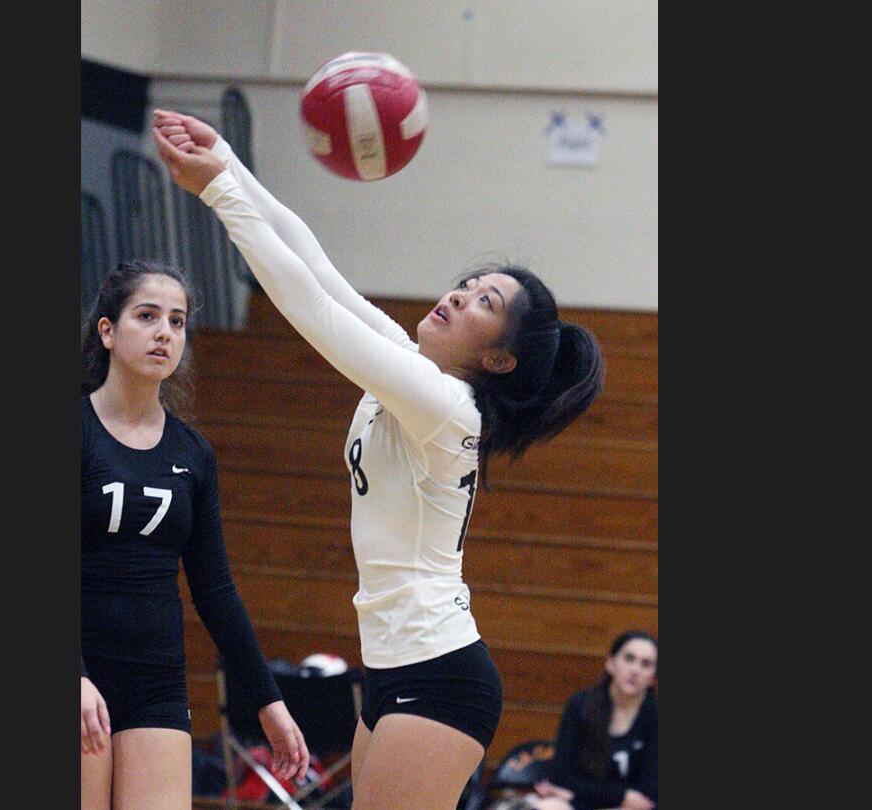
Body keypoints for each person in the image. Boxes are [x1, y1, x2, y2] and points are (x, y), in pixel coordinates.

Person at [152, 110, 606, 810]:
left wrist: (220, 195)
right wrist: (231, 163)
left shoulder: (447, 406)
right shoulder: (408, 371)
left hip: (441, 675)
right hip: (394, 666)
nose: (459, 293)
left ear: (499, 357)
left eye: (485, 300)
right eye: (470, 281)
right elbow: (321, 271)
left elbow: (309, 308)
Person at [80, 260, 310, 810]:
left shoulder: (192, 455)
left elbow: (215, 590)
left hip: (157, 682)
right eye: (147, 316)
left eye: (177, 321)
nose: (165, 332)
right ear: (107, 331)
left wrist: (267, 700)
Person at [528, 631, 659, 810]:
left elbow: (648, 792)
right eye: (629, 659)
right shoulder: (580, 705)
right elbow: (561, 774)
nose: (635, 670)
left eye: (646, 664)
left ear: (653, 677)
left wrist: (578, 791)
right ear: (611, 663)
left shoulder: (655, 717)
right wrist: (621, 795)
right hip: (580, 803)